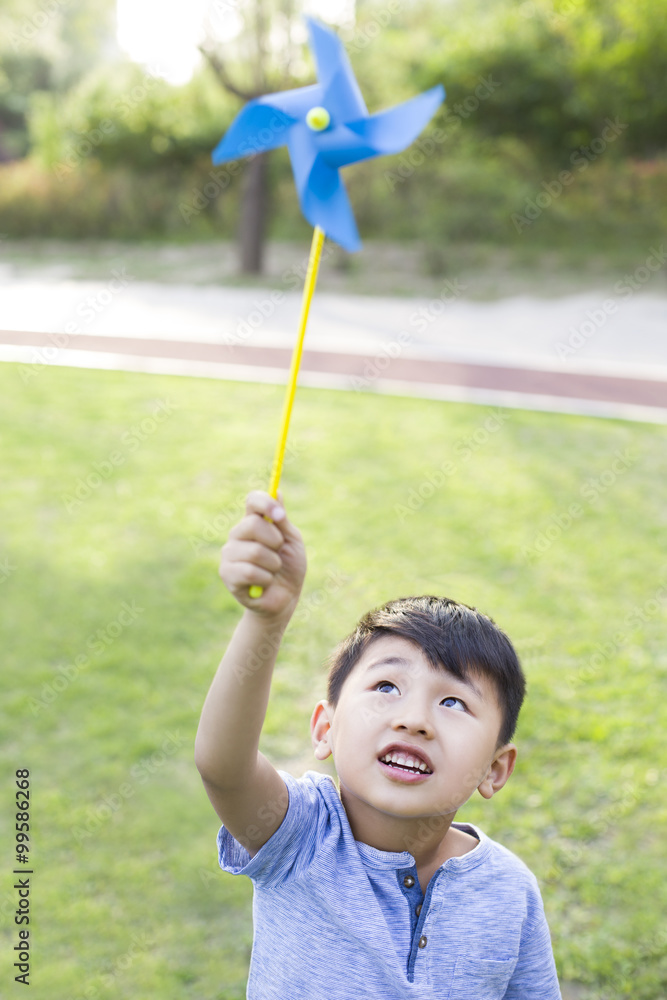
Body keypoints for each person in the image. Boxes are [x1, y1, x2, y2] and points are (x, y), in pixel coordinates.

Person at [195, 490, 562, 999]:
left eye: (453, 703)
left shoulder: (510, 890)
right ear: (325, 728)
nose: (414, 720)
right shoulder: (302, 835)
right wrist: (266, 620)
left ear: (494, 770)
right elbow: (223, 767)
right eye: (387, 686)